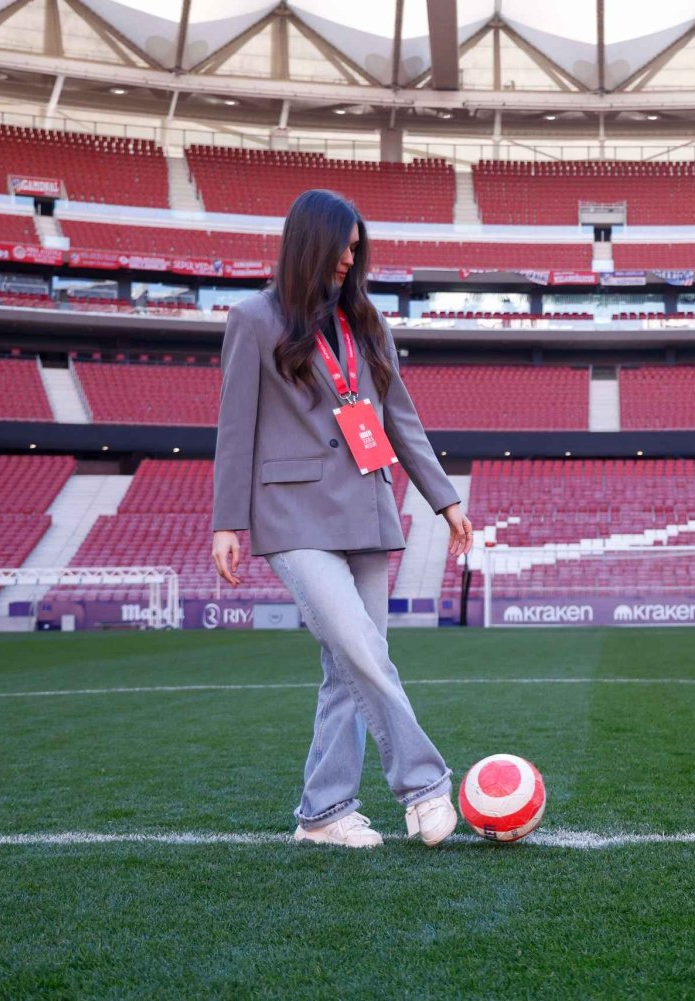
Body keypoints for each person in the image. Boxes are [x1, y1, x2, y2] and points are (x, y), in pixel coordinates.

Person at [211, 188, 474, 849]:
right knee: (361, 650)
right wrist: (226, 521)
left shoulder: (367, 323)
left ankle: (323, 811)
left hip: (367, 508)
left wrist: (445, 498)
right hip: (291, 515)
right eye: (344, 247)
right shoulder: (252, 319)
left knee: (348, 665)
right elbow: (235, 428)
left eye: (357, 249)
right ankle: (424, 785)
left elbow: (402, 420)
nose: (352, 259)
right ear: (313, 243)